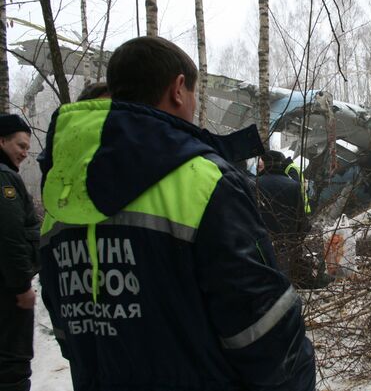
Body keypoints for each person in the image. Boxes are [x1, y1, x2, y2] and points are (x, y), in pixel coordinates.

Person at [38, 36, 315, 391]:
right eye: (195, 93)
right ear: (179, 89)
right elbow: (261, 324)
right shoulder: (204, 180)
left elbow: (65, 327)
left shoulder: (59, 198)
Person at [0, 114, 40, 391]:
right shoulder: (4, 179)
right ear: (2, 141)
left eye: (27, 147)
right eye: (20, 146)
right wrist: (22, 285)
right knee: (11, 365)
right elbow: (9, 236)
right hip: (7, 293)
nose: (25, 153)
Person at [257, 151, 311, 286]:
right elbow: (300, 218)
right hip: (286, 242)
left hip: (260, 242)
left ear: (265, 165)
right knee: (283, 279)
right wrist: (298, 238)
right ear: (280, 165)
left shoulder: (254, 184)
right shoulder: (293, 186)